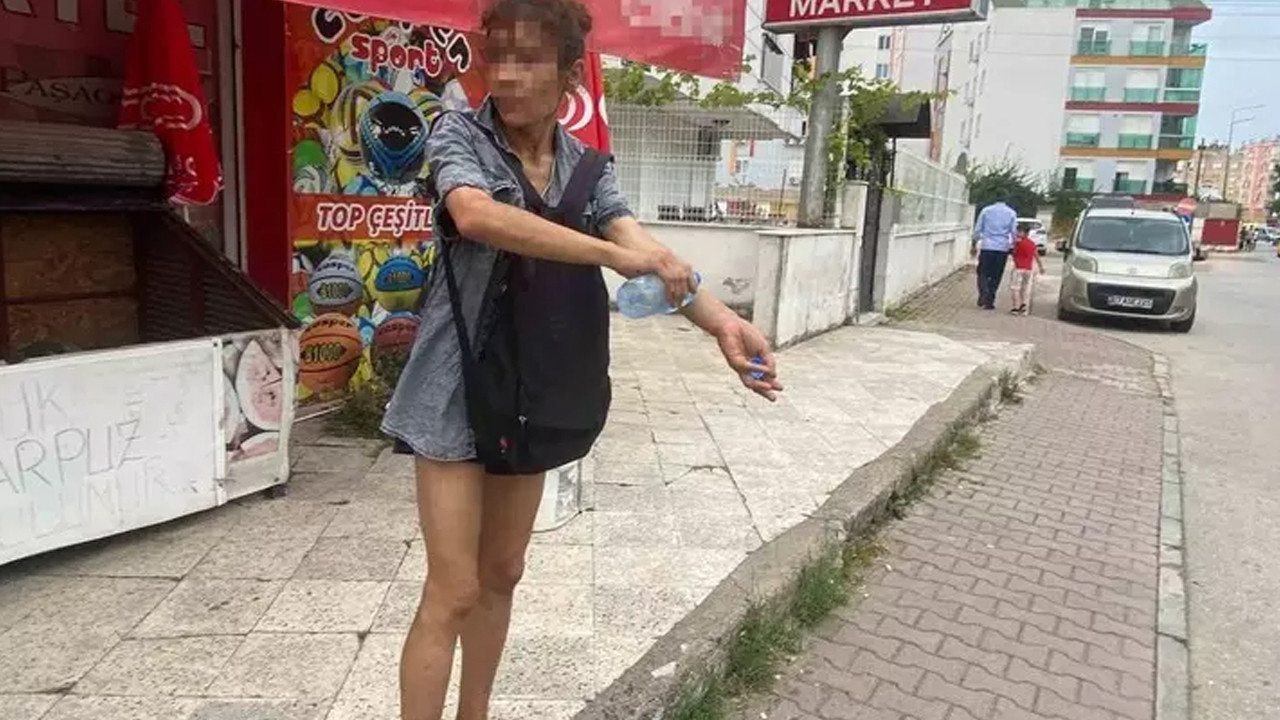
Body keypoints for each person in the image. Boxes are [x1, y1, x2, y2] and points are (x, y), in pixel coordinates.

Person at [380, 1, 783, 718]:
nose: (507, 75)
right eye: (497, 56)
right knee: (454, 589)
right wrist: (610, 255)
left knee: (503, 571)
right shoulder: (459, 134)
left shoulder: (586, 169)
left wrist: (721, 320)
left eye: (529, 59)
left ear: (570, 75)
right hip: (454, 385)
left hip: (530, 385)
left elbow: (642, 247)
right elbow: (476, 215)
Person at [971, 198, 1018, 309]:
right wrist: (1014, 246)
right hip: (1002, 248)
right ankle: (990, 301)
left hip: (987, 246)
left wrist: (974, 244)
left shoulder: (986, 210)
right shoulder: (1011, 213)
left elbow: (977, 229)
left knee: (982, 272)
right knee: (996, 275)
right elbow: (1014, 232)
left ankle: (984, 291)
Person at [1009, 222, 1045, 315]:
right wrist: (1041, 267)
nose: (1017, 233)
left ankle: (1015, 307)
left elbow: (1014, 253)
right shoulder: (1032, 244)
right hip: (1028, 269)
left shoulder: (1017, 243)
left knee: (1015, 288)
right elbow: (1036, 256)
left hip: (1018, 268)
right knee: (1024, 288)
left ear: (1025, 233)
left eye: (1019, 231)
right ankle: (1024, 307)